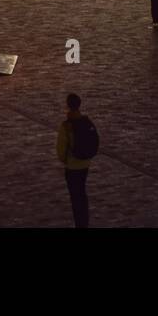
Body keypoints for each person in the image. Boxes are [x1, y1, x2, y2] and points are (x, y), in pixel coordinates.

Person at [56, 93, 97, 228]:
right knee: (82, 193)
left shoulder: (66, 126)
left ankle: (80, 223)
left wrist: (66, 161)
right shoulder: (86, 122)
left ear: (68, 106)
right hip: (85, 164)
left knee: (75, 196)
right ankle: (84, 221)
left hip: (72, 166)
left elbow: (61, 150)